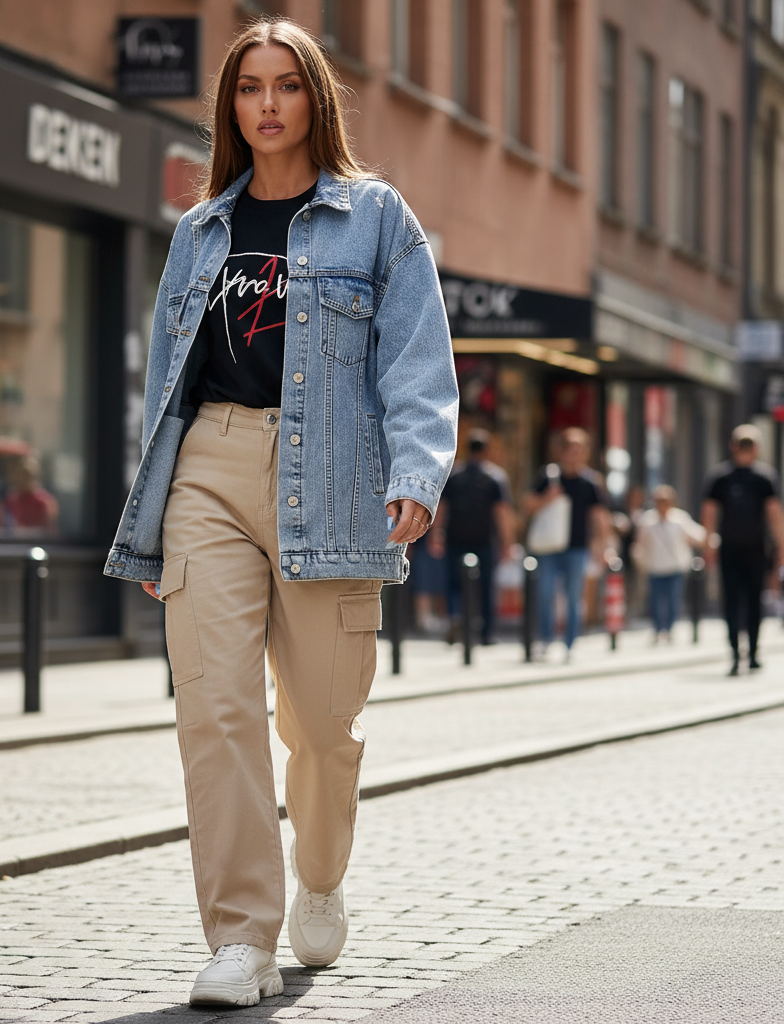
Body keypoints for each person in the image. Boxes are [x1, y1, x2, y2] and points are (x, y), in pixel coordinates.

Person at [104, 19, 458, 1009]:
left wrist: (417, 471)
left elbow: (417, 359)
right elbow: (164, 386)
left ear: (316, 99)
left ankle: (321, 875)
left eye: (287, 85)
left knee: (323, 727)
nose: (267, 104)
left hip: (335, 484)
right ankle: (241, 939)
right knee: (214, 710)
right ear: (230, 106)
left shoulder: (375, 218)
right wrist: (150, 518)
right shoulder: (199, 231)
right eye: (249, 87)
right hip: (208, 474)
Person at [700, 424, 784, 675]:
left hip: (735, 548)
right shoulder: (761, 477)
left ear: (732, 446)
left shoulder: (723, 476)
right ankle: (751, 653)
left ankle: (738, 654)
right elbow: (775, 516)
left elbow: (708, 515)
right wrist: (781, 547)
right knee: (752, 601)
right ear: (757, 448)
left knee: (733, 601)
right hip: (752, 548)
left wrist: (708, 545)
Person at [524, 428, 612, 660]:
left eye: (579, 450)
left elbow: (600, 516)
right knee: (545, 594)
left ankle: (570, 643)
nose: (575, 454)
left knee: (574, 598)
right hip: (549, 547)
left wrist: (603, 546)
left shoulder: (590, 482)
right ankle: (545, 640)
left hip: (577, 547)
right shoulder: (548, 476)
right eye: (571, 450)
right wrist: (547, 498)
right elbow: (528, 505)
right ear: (561, 452)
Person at [440, 428, 513, 645]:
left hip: (455, 536)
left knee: (454, 584)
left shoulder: (454, 475)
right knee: (486, 586)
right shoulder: (495, 476)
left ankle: (455, 616)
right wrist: (507, 542)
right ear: (487, 450)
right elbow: (501, 512)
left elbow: (441, 507)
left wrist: (437, 534)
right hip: (485, 539)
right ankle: (486, 633)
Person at [632, 485, 706, 643]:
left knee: (673, 600)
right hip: (654, 567)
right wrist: (639, 560)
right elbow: (639, 544)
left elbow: (697, 535)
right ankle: (658, 629)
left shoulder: (680, 519)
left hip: (675, 567)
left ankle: (670, 629)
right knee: (655, 601)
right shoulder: (647, 521)